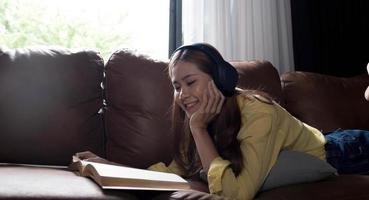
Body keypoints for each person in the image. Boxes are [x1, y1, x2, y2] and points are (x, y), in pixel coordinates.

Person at [76, 43, 369, 200]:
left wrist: (199, 129)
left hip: (343, 150)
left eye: (191, 82)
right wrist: (110, 166)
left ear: (221, 78)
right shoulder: (200, 116)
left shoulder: (258, 112)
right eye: (177, 87)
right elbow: (177, 171)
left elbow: (236, 194)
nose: (183, 95)